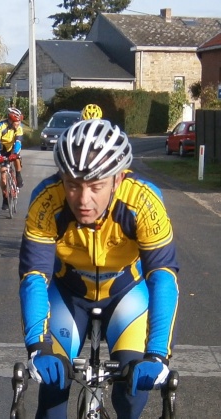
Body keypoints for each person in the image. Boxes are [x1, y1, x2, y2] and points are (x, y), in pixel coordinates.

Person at [18, 119, 179, 418]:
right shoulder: (46, 199)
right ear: (61, 177)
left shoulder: (142, 200)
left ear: (117, 179)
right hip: (69, 294)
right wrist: (38, 347)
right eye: (73, 185)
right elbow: (34, 277)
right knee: (53, 393)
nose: (83, 199)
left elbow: (163, 277)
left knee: (132, 395)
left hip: (125, 294)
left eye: (96, 186)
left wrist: (157, 354)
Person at [0, 107, 26, 212]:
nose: (18, 123)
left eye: (20, 121)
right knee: (3, 176)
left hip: (13, 148)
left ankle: (18, 175)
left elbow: (19, 142)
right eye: (16, 121)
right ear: (11, 120)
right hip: (2, 150)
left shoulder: (19, 128)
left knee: (16, 158)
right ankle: (5, 198)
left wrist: (15, 153)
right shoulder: (1, 127)